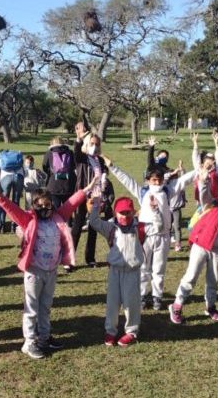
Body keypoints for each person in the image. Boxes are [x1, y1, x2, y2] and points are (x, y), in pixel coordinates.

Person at [0, 175, 97, 359]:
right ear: (34, 206)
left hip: (51, 270)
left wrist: (88, 188)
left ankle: (44, 338)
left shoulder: (58, 216)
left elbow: (72, 202)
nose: (44, 208)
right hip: (34, 270)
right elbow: (12, 210)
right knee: (31, 307)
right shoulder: (29, 220)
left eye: (47, 204)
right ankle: (29, 342)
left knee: (45, 306)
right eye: (39, 205)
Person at [168, 168, 218, 325]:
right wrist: (203, 182)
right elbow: (204, 196)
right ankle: (177, 304)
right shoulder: (213, 204)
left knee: (213, 280)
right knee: (191, 276)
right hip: (201, 245)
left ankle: (210, 306)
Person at [103, 153, 173, 311]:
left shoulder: (168, 192)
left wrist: (200, 170)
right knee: (144, 267)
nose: (157, 183)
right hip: (145, 236)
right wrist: (112, 166)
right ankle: (141, 294)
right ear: (147, 180)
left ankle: (157, 296)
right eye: (154, 180)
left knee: (159, 268)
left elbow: (184, 181)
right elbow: (127, 180)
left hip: (164, 237)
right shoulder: (143, 193)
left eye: (160, 179)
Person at [89, 195, 144, 347]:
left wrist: (154, 209)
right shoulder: (111, 227)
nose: (125, 216)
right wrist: (96, 206)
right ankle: (110, 331)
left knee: (131, 303)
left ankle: (131, 331)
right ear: (115, 213)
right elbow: (94, 222)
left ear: (133, 212)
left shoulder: (140, 227)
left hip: (132, 272)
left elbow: (160, 226)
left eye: (128, 212)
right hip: (114, 271)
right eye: (121, 213)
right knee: (112, 303)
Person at [73, 122, 115, 268]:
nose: (94, 146)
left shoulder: (100, 160)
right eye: (92, 143)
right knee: (77, 226)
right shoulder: (83, 159)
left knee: (93, 228)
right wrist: (79, 139)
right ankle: (69, 260)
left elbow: (105, 172)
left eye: (97, 144)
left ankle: (90, 258)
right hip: (83, 195)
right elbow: (77, 154)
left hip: (96, 197)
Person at [0, 150, 25, 233]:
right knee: (16, 202)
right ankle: (14, 225)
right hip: (18, 177)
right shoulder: (17, 156)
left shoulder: (0, 157)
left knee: (3, 202)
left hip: (5, 177)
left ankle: (2, 225)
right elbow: (23, 170)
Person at [41, 136, 76, 210]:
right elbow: (74, 166)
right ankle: (68, 221)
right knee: (68, 209)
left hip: (53, 185)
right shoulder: (70, 152)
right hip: (69, 184)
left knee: (55, 209)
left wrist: (51, 173)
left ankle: (56, 221)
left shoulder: (49, 153)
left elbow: (44, 167)